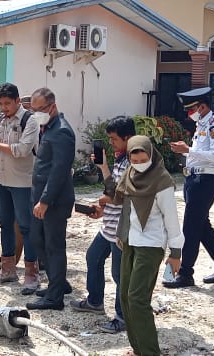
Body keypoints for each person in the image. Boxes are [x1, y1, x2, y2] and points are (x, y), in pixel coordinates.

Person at [111, 136, 183, 356]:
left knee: (137, 299)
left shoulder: (161, 181)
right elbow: (125, 207)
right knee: (124, 296)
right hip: (130, 242)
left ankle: (150, 352)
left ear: (151, 154)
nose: (140, 161)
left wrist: (176, 253)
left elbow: (171, 219)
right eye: (135, 156)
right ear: (130, 156)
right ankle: (138, 348)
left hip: (151, 245)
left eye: (144, 156)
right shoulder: (130, 175)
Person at [164, 87, 214, 288]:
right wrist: (186, 151)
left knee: (191, 228)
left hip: (204, 181)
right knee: (202, 226)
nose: (189, 113)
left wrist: (188, 150)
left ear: (202, 107)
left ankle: (185, 273)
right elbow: (199, 152)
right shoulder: (201, 124)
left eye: (192, 109)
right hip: (193, 180)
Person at [70, 116, 135, 333]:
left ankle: (122, 316)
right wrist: (102, 208)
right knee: (93, 257)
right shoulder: (120, 159)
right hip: (108, 225)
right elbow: (112, 189)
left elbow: (126, 195)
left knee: (119, 274)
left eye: (115, 139)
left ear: (128, 137)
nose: (112, 143)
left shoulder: (135, 161)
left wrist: (107, 198)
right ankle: (95, 301)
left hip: (122, 229)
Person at [0, 83, 41, 293]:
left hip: (23, 183)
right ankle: (7, 270)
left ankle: (32, 273)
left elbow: (23, 150)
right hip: (2, 181)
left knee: (26, 227)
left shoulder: (29, 120)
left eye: (7, 103)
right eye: (1, 104)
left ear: (17, 101)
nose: (4, 107)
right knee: (5, 225)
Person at [25, 88, 76, 311]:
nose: (35, 113)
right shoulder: (47, 127)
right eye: (32, 110)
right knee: (38, 239)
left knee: (54, 246)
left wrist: (45, 200)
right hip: (40, 196)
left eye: (39, 110)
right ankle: (58, 282)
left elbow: (59, 170)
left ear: (52, 107)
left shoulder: (62, 132)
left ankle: (55, 298)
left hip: (53, 200)